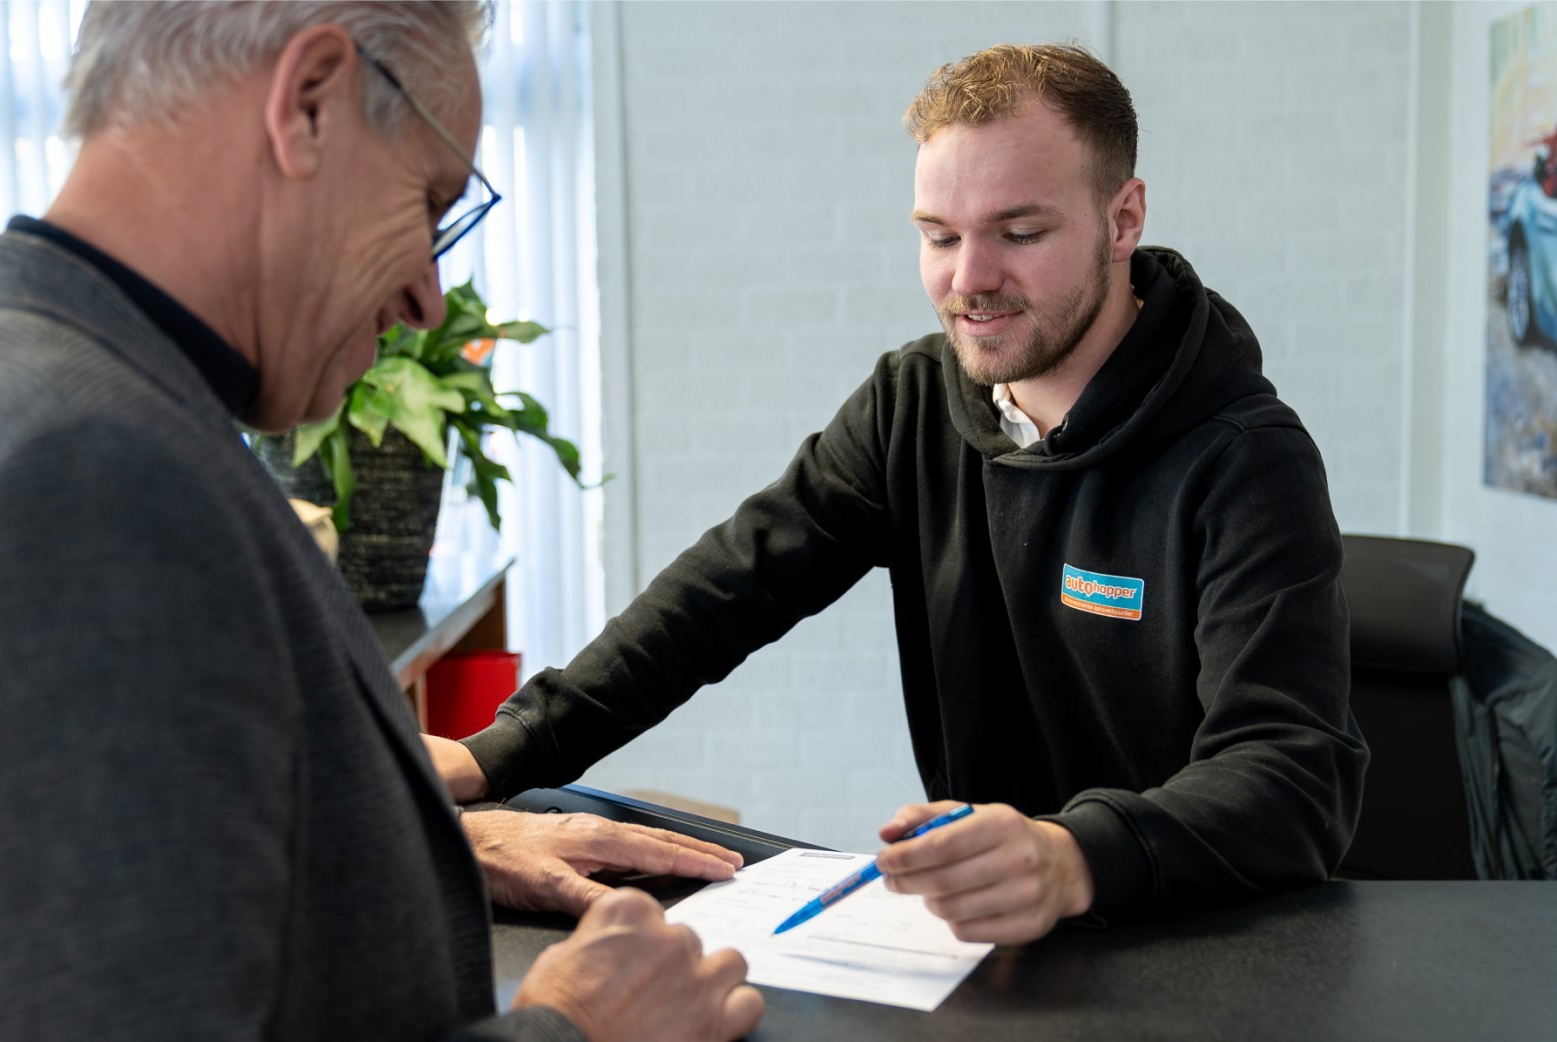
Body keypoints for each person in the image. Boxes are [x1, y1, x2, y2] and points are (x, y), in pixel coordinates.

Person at [0, 3, 763, 1040]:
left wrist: (392, 849)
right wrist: (579, 1028)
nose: (429, 298)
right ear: (309, 103)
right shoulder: (83, 489)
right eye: (429, 205)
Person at [427, 43, 1369, 946]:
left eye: (1020, 232)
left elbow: (1294, 777)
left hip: (1188, 943)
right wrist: (500, 751)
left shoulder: (1244, 457)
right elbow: (724, 591)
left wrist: (1071, 855)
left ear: (1123, 220)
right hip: (981, 946)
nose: (969, 280)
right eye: (939, 236)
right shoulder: (914, 403)